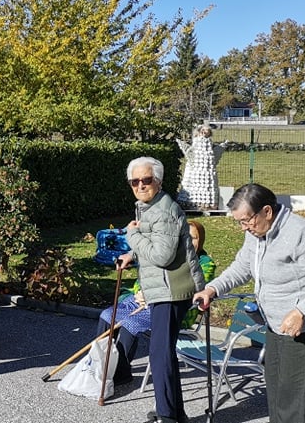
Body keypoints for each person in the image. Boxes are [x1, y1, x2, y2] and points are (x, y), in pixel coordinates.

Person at [192, 183, 305, 423]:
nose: (244, 228)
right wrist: (212, 288)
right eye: (239, 222)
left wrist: (301, 312)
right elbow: (242, 267)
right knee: (275, 386)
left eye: (246, 220)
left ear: (267, 211)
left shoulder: (301, 234)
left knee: (291, 395)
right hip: (276, 321)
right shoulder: (256, 233)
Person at [117, 156, 204, 423]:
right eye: (135, 181)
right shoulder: (149, 207)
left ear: (159, 181)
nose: (140, 185)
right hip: (164, 288)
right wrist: (132, 253)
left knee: (160, 354)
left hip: (171, 289)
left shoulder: (163, 211)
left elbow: (163, 255)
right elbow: (155, 241)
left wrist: (131, 236)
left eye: (147, 180)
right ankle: (173, 412)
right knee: (162, 353)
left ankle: (168, 416)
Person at [95, 220, 215, 386]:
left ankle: (121, 373)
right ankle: (101, 364)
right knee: (108, 315)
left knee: (130, 323)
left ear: (200, 241)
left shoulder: (204, 263)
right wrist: (141, 292)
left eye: (193, 238)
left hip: (176, 309)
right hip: (146, 301)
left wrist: (153, 295)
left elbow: (193, 290)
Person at [176, 124, 227, 211]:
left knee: (207, 184)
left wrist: (222, 146)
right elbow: (190, 153)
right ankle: (190, 203)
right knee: (191, 183)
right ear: (198, 132)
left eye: (206, 132)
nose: (204, 134)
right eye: (202, 131)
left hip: (207, 171)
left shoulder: (209, 145)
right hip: (194, 171)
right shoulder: (196, 143)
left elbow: (214, 157)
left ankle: (207, 205)